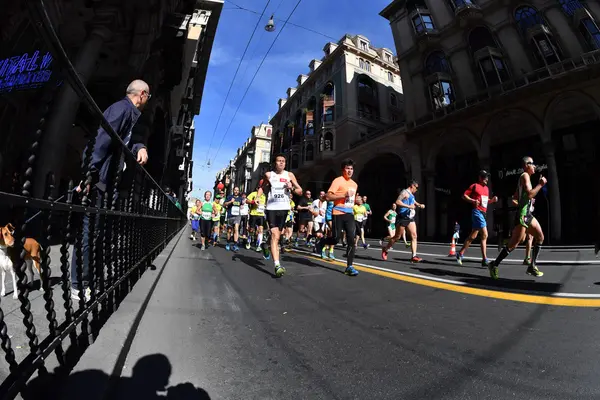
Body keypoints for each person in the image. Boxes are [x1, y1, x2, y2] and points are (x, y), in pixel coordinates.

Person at [71, 80, 150, 301]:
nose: (147, 102)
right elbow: (100, 142)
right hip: (100, 181)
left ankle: (88, 280)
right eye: (148, 98)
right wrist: (89, 174)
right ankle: (79, 285)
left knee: (97, 233)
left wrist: (140, 147)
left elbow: (127, 140)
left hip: (108, 182)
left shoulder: (130, 114)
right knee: (89, 233)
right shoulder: (121, 109)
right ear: (142, 94)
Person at [488, 156, 546, 279]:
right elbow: (530, 194)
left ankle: (532, 266)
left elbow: (515, 197)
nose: (534, 165)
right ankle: (494, 264)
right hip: (523, 215)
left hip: (528, 214)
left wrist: (522, 202)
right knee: (513, 244)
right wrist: (540, 185)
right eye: (532, 163)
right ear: (526, 165)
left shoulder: (526, 178)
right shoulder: (525, 176)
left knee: (540, 237)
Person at [261, 154, 303, 277]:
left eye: (283, 161)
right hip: (271, 208)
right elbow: (262, 187)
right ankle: (277, 265)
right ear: (275, 163)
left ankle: (265, 245)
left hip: (284, 209)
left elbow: (300, 191)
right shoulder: (269, 175)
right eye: (279, 161)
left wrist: (292, 188)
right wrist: (258, 197)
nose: (281, 163)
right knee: (275, 235)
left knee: (277, 236)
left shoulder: (289, 175)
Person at [316, 159, 360, 276]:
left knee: (351, 239)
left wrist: (357, 201)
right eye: (347, 168)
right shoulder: (338, 181)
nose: (349, 171)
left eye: (351, 169)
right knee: (336, 238)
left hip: (349, 213)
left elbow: (350, 200)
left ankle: (349, 266)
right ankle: (322, 242)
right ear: (343, 170)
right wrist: (343, 194)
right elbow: (328, 196)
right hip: (337, 213)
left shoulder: (354, 184)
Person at [456, 170, 499, 266]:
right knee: (485, 234)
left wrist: (492, 200)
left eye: (487, 177)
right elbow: (464, 195)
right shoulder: (474, 186)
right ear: (480, 177)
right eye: (484, 177)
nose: (486, 179)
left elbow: (485, 201)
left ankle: (460, 253)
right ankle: (484, 260)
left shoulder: (487, 189)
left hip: (483, 213)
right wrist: (472, 201)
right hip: (477, 212)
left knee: (473, 236)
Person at [382, 180, 425, 263]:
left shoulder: (412, 195)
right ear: (412, 186)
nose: (417, 189)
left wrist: (419, 204)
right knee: (397, 237)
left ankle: (414, 256)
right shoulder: (404, 192)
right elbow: (397, 201)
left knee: (414, 236)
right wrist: (409, 206)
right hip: (403, 217)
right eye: (416, 187)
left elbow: (413, 202)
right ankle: (386, 249)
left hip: (410, 217)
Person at [246, 185, 267, 252]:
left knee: (261, 230)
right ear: (257, 188)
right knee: (251, 230)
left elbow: (265, 204)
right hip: (253, 214)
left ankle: (258, 245)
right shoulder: (253, 194)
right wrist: (253, 202)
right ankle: (248, 241)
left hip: (261, 214)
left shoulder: (264, 195)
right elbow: (247, 200)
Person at [224, 186, 243, 252]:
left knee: (236, 229)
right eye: (235, 190)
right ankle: (228, 243)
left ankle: (235, 244)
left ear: (239, 191)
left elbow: (241, 205)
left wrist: (241, 206)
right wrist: (230, 202)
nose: (236, 191)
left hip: (237, 216)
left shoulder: (240, 198)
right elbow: (224, 204)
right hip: (230, 215)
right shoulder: (229, 197)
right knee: (229, 231)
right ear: (233, 190)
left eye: (237, 190)